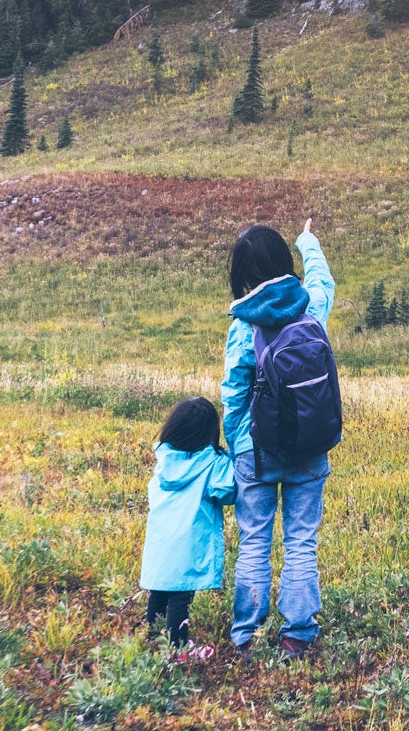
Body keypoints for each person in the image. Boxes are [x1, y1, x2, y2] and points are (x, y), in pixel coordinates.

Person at [221, 218, 336, 656]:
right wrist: (308, 239)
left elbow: (233, 393)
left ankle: (246, 633)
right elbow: (323, 279)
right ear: (285, 264)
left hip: (257, 450)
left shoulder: (242, 326)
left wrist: (237, 447)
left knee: (254, 541)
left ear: (242, 276)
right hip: (309, 442)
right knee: (301, 539)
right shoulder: (311, 307)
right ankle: (298, 633)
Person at [138, 396, 237, 648]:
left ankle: (154, 639)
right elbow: (227, 492)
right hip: (189, 545)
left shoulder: (164, 459)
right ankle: (178, 649)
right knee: (180, 598)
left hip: (161, 543)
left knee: (159, 592)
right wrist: (231, 457)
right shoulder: (213, 463)